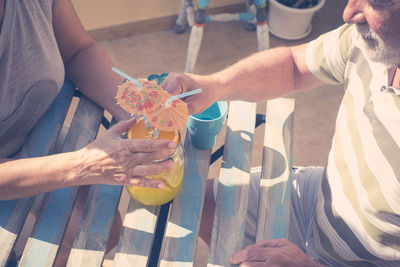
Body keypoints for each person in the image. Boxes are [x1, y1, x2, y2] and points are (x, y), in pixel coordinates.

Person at [162, 0, 400, 266]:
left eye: (378, 4)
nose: (348, 14)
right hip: (324, 198)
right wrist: (215, 85)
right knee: (200, 201)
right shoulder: (371, 41)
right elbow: (294, 65)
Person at [0, 0, 177, 200]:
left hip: (37, 134)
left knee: (102, 214)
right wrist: (84, 165)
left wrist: (131, 107)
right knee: (82, 226)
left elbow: (78, 51)